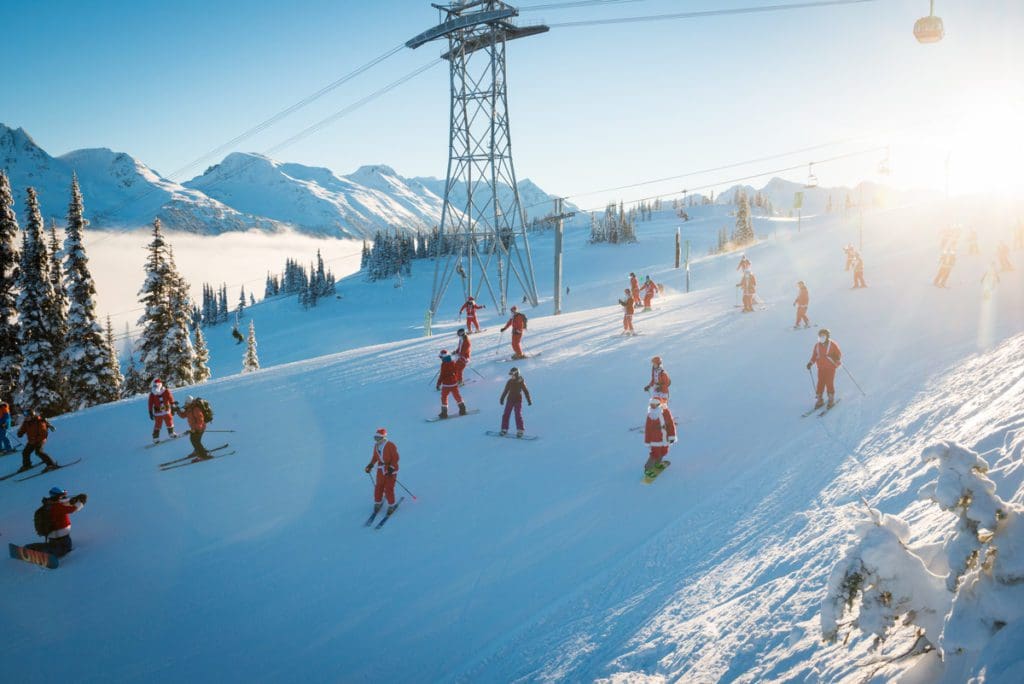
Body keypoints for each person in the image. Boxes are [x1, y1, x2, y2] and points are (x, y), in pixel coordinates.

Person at [27, 486, 87, 557]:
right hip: (60, 537)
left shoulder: (49, 504)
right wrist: (81, 502)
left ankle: (32, 547)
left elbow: (64, 504)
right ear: (57, 497)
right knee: (62, 551)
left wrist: (73, 500)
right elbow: (72, 509)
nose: (64, 498)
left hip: (55, 536)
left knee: (53, 546)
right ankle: (42, 553)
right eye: (62, 496)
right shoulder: (56, 506)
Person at [364, 428, 399, 518]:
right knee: (379, 486)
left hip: (390, 469)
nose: (376, 440)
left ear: (383, 437)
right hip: (381, 469)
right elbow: (375, 457)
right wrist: (370, 465)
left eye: (378, 438)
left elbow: (396, 458)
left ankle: (391, 505)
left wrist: (391, 468)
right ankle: (378, 502)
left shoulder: (390, 445)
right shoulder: (376, 446)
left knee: (388, 488)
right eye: (375, 438)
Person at [806, 328, 842, 409]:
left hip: (830, 367)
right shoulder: (817, 345)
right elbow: (815, 356)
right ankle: (820, 399)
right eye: (820, 336)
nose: (821, 337)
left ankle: (831, 398)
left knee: (829, 382)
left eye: (823, 336)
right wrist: (810, 363)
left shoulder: (832, 344)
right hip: (821, 368)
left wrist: (836, 357)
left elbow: (838, 354)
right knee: (820, 382)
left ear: (827, 336)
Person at [643, 396, 677, 478]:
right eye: (651, 404)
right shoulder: (650, 414)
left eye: (654, 404)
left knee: (663, 451)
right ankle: (648, 469)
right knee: (655, 453)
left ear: (659, 404)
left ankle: (657, 464)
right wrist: (647, 441)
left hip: (664, 437)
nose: (652, 406)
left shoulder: (665, 412)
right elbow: (648, 429)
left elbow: (670, 425)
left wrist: (672, 436)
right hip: (654, 438)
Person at [499, 366, 532, 438]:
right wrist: (502, 399)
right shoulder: (509, 382)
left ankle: (520, 430)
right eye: (511, 375)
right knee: (506, 414)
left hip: (518, 400)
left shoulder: (521, 382)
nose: (511, 376)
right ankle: (504, 429)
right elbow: (505, 391)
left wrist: (529, 400)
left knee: (518, 415)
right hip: (510, 400)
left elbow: (526, 391)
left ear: (516, 374)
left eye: (512, 375)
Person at [435, 350, 467, 419]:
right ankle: (463, 410)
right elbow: (456, 371)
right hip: (453, 383)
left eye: (441, 357)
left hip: (446, 385)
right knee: (457, 396)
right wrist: (458, 379)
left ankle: (444, 413)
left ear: (443, 357)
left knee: (444, 398)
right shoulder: (453, 362)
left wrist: (438, 384)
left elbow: (442, 375)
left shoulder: (443, 365)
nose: (440, 359)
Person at [147, 378, 178, 444]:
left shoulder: (166, 391)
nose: (156, 387)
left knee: (169, 421)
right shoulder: (152, 394)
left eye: (157, 385)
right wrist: (150, 412)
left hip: (166, 410)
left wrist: (173, 405)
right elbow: (150, 403)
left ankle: (171, 433)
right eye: (155, 385)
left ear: (160, 385)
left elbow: (170, 398)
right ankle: (155, 438)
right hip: (158, 412)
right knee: (158, 424)